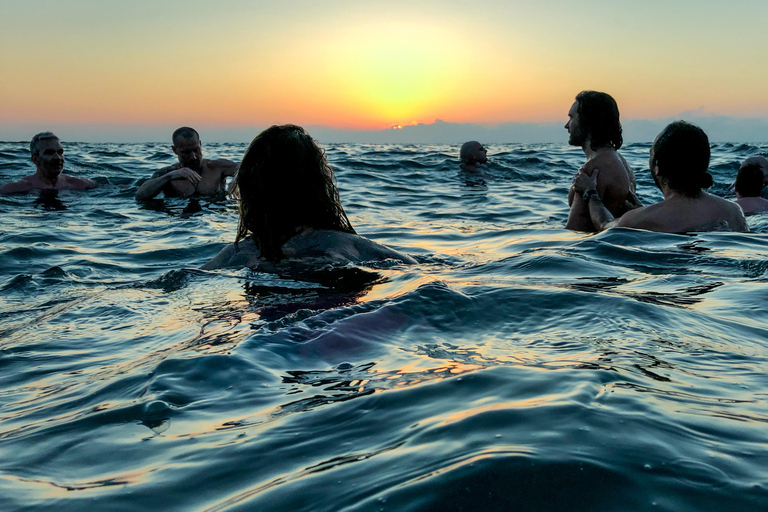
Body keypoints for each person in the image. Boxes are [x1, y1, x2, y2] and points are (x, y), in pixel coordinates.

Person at [203, 124, 416, 270]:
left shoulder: (238, 254)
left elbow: (179, 283)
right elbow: (419, 273)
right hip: (342, 325)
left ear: (250, 188)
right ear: (319, 185)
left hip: (271, 332)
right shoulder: (350, 246)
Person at [572, 121, 747, 233]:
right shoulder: (734, 211)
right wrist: (643, 209)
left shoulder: (639, 220)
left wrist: (591, 193)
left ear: (657, 167)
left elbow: (604, 226)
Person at [565, 91, 636, 231]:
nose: (567, 125)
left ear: (587, 122)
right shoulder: (622, 162)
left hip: (590, 248)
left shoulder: (591, 171)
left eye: (571, 118)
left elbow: (573, 230)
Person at [135, 127, 238, 200]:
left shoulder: (217, 167)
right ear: (175, 150)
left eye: (196, 150)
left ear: (200, 144)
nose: (193, 157)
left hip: (213, 220)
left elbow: (250, 169)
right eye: (186, 152)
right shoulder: (168, 173)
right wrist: (170, 176)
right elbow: (140, 196)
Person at [0, 132, 96, 194]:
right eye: (49, 153)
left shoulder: (78, 184)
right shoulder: (20, 187)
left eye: (60, 152)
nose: (57, 158)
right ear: (35, 159)